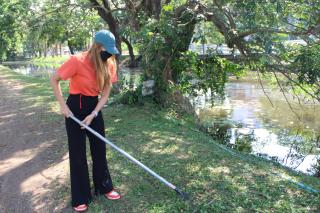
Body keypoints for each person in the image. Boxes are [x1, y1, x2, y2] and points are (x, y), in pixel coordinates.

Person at [50, 30, 121, 212]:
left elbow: (105, 93)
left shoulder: (109, 63)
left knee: (99, 148)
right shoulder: (77, 61)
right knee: (77, 152)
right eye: (107, 50)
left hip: (93, 108)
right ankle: (81, 196)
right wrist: (63, 107)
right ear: (97, 47)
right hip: (74, 107)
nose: (110, 54)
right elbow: (54, 79)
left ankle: (104, 187)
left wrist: (94, 114)